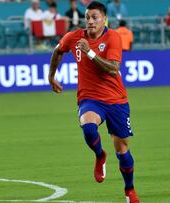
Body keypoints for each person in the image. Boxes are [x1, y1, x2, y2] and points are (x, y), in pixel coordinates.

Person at [48, 2, 140, 202]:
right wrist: (51, 76)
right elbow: (58, 51)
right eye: (87, 17)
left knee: (123, 151)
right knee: (88, 128)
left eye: (94, 17)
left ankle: (129, 190)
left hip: (116, 100)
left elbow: (113, 68)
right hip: (90, 98)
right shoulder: (74, 37)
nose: (90, 21)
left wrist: (89, 52)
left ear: (104, 19)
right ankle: (100, 155)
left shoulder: (113, 37)